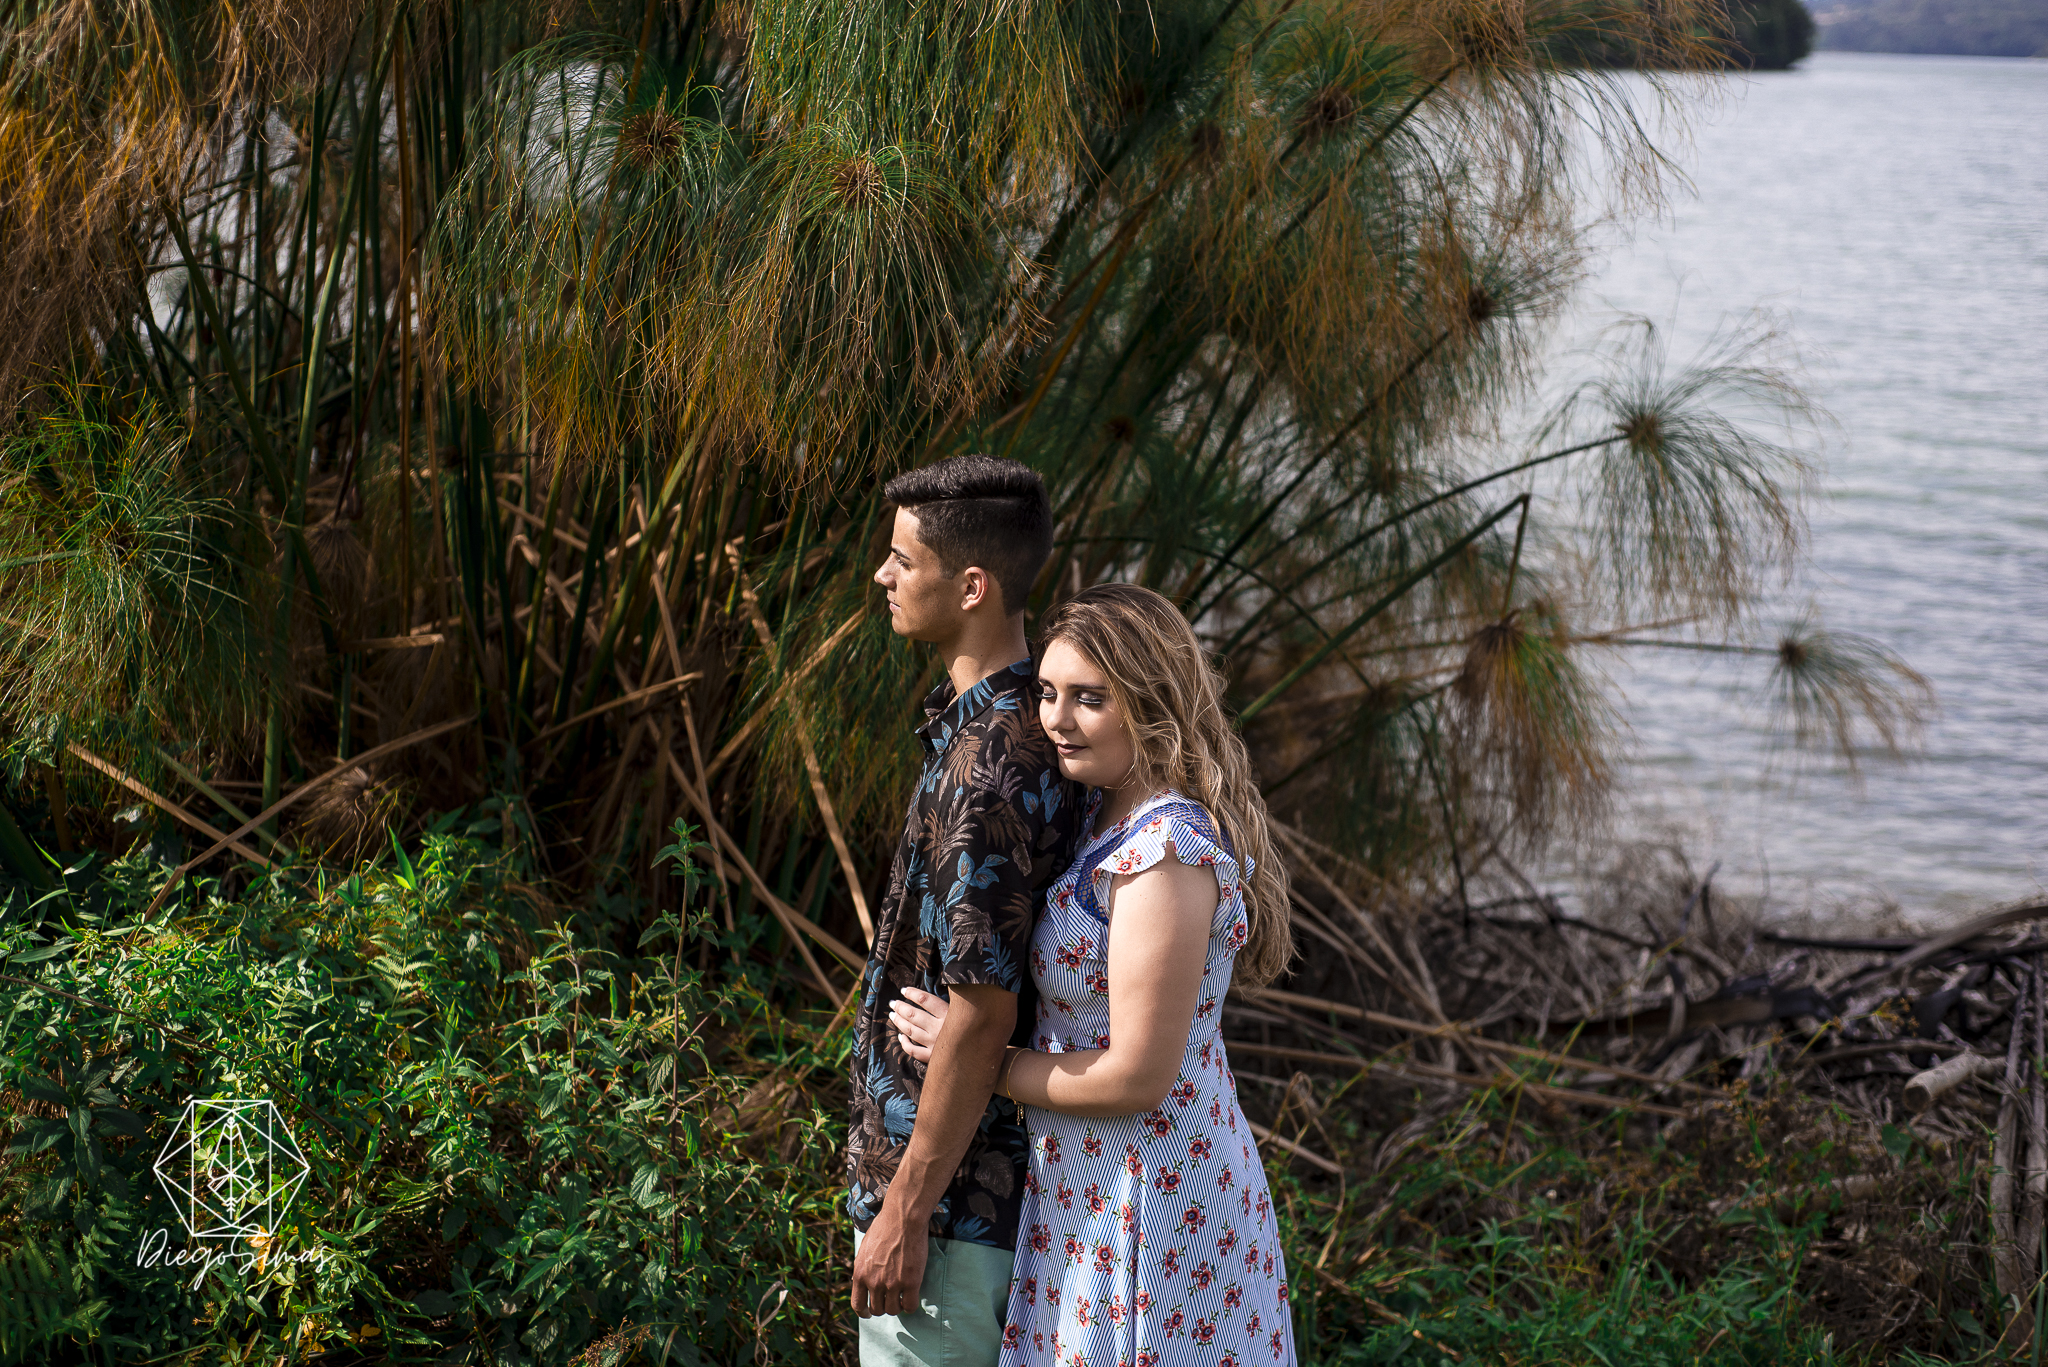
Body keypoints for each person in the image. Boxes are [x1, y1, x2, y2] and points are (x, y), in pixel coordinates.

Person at [890, 583, 1299, 1366]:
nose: (1055, 719)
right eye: (1047, 691)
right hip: (1092, 1185)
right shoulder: (1102, 816)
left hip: (1157, 1199)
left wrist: (984, 1061)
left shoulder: (1164, 853)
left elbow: (1138, 1076)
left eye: (1089, 698)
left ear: (1150, 703)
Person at [850, 454, 1086, 1366]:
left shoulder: (985, 770)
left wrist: (904, 1214)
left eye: (903, 560)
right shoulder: (1019, 725)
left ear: (972, 584)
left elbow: (983, 1014)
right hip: (965, 1205)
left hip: (948, 1220)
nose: (883, 574)